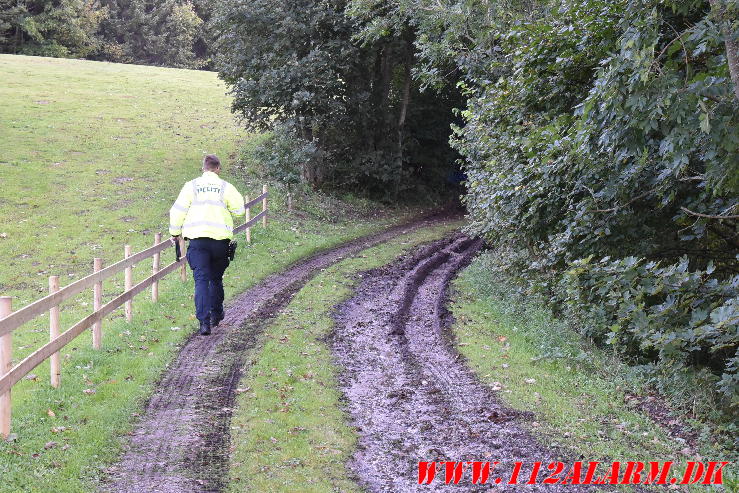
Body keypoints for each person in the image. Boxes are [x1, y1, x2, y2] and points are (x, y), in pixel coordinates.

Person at [169, 155, 245, 335]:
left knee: (201, 281)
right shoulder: (225, 187)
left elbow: (177, 211)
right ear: (218, 169)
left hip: (198, 242)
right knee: (215, 279)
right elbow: (240, 211)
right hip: (220, 243)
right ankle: (216, 314)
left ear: (203, 168)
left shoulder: (191, 186)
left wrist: (174, 233)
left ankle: (204, 323)